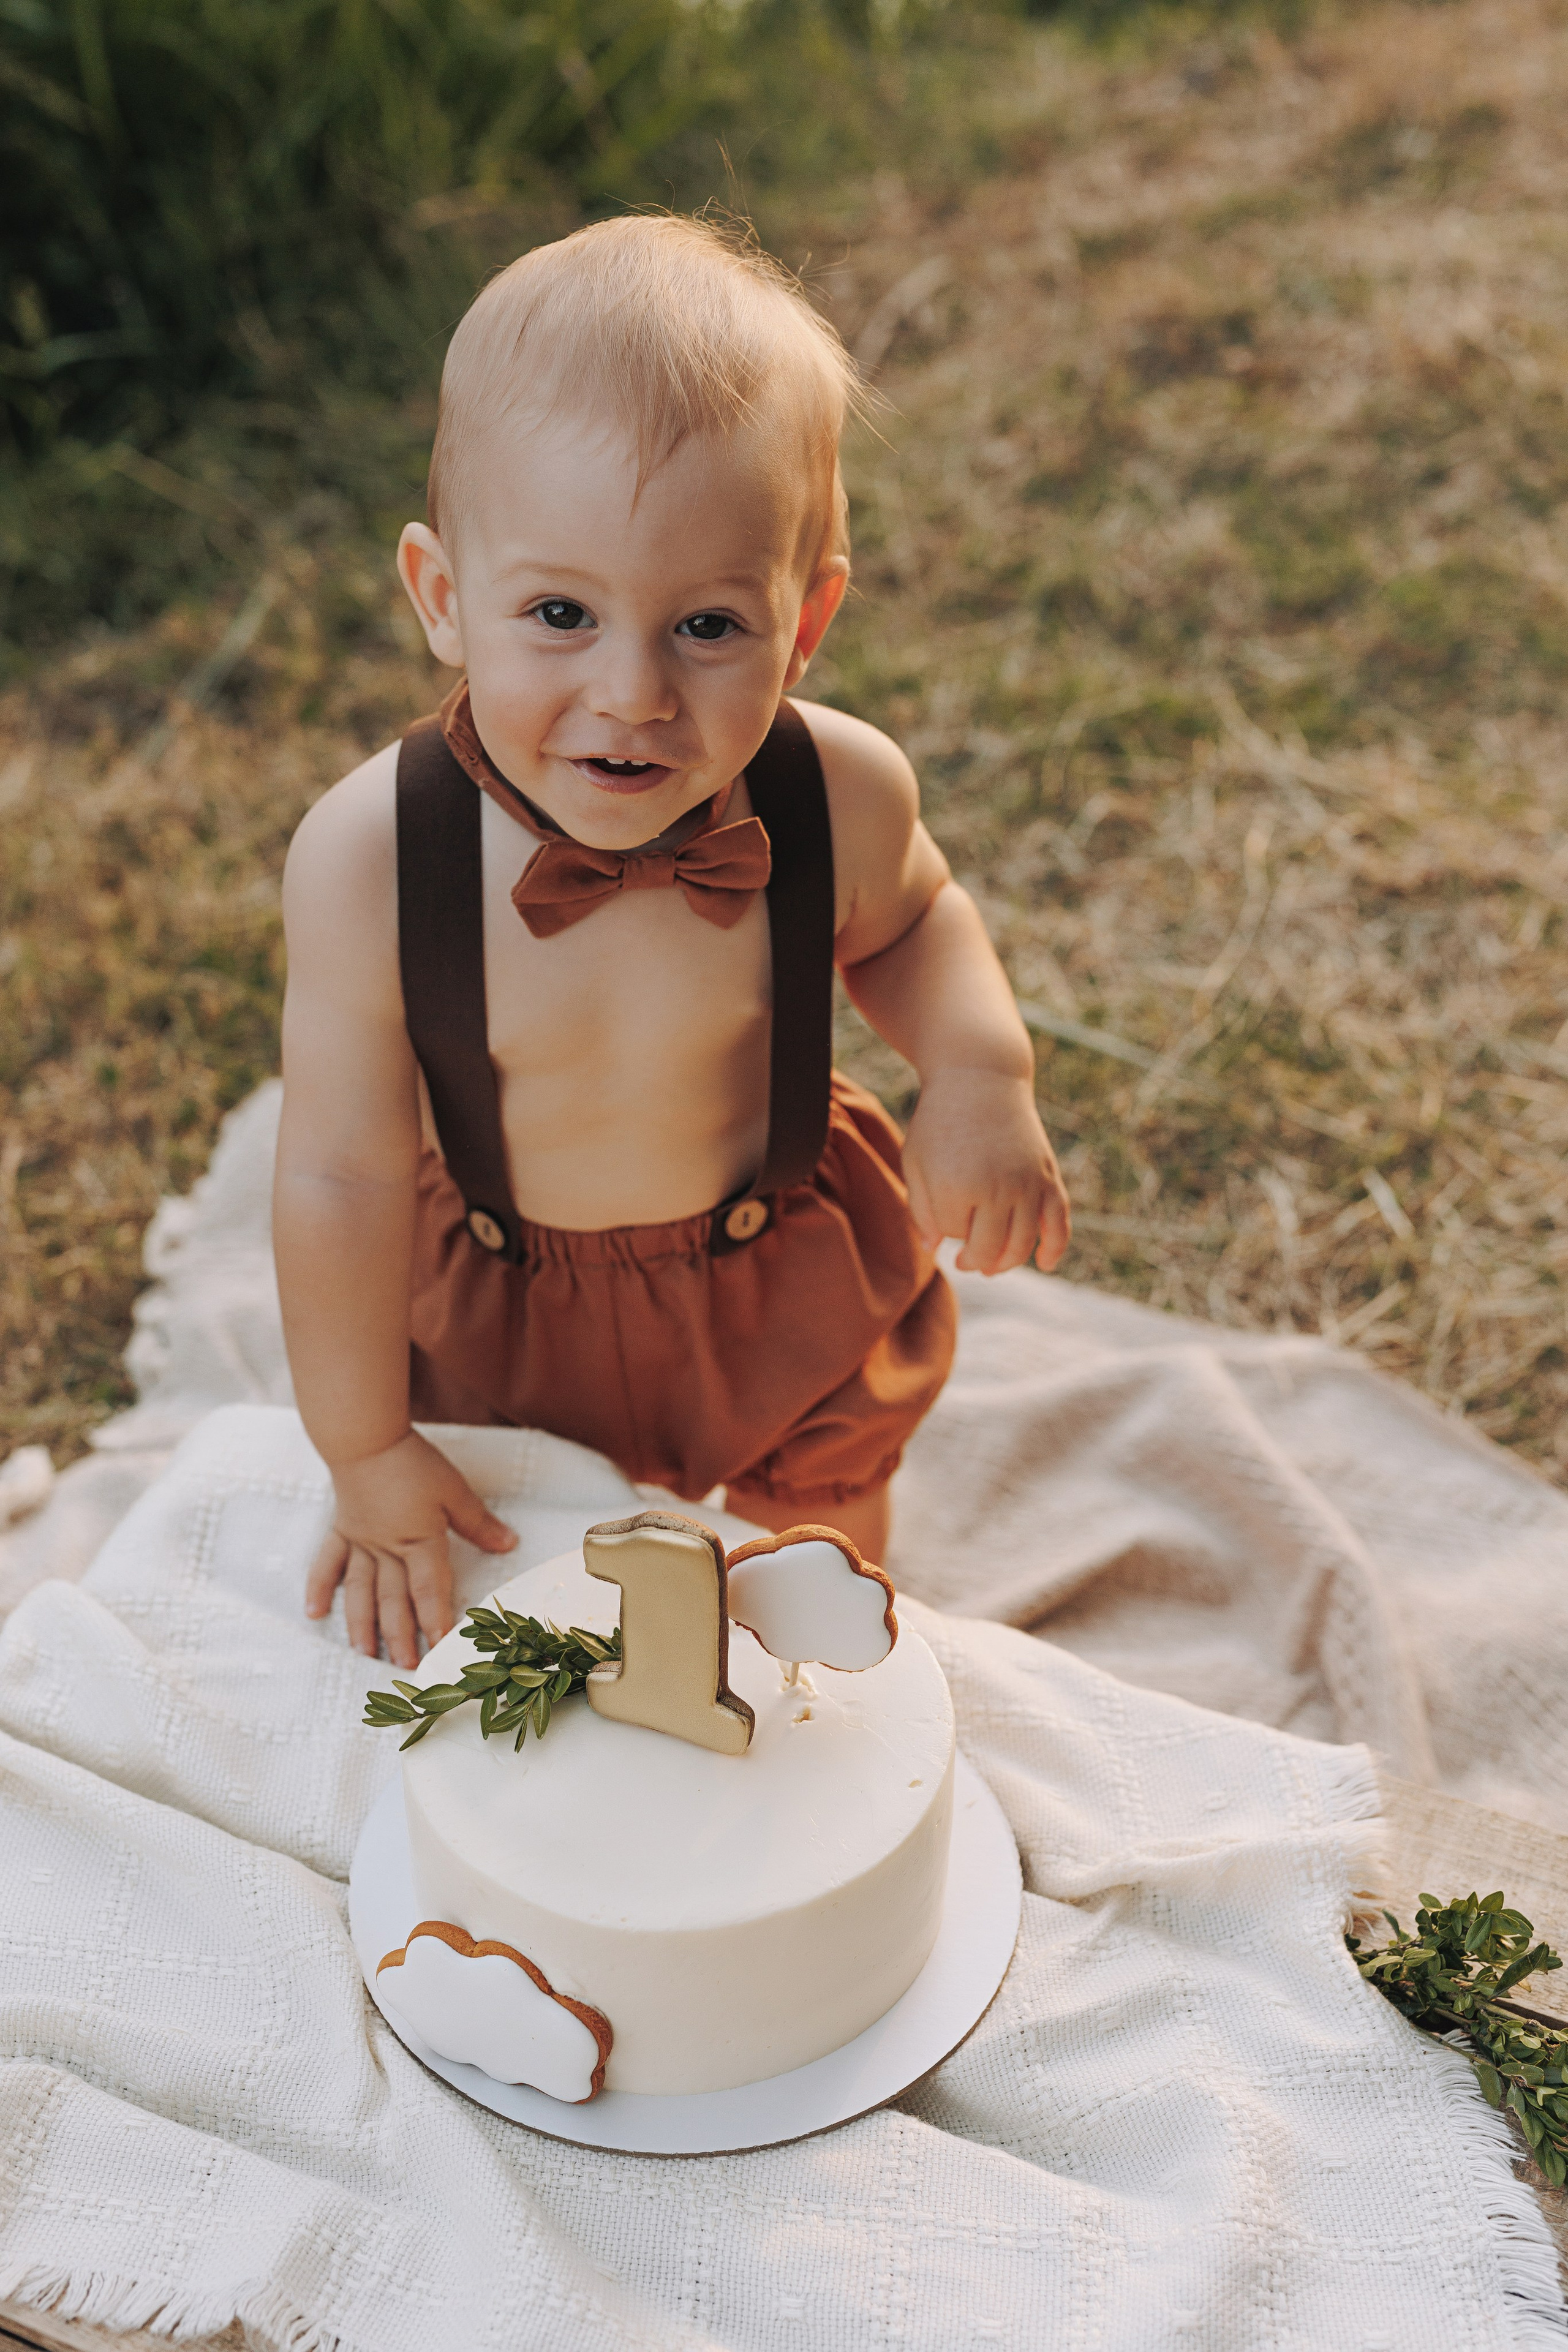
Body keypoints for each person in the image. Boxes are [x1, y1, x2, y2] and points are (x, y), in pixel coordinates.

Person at [275, 213, 1069, 1670]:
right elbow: (338, 1170)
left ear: (807, 618)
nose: (632, 692)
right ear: (443, 600)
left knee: (803, 1600)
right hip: (505, 1302)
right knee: (542, 1614)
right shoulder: (372, 858)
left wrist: (977, 1072)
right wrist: (364, 1443)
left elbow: (911, 926)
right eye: (560, 614)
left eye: (708, 625)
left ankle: (804, 1682)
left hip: (776, 1265)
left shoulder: (838, 789)